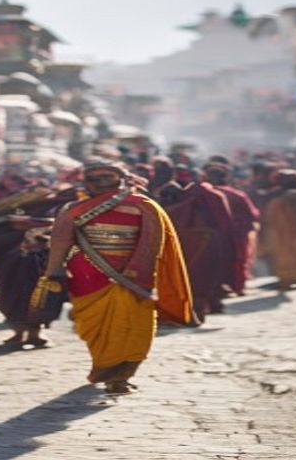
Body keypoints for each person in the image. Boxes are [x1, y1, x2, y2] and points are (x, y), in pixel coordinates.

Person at [44, 161, 195, 395]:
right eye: (92, 178)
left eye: (105, 177)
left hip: (133, 277)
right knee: (97, 330)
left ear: (122, 178)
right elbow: (61, 241)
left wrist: (137, 272)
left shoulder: (144, 206)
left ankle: (121, 377)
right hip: (87, 276)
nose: (98, 182)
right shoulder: (73, 209)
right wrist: (55, 270)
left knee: (136, 327)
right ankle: (107, 370)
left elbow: (151, 242)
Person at [0, 184, 77, 347]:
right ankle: (18, 332)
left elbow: (67, 225)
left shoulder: (64, 205)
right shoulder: (13, 205)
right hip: (12, 261)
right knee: (10, 295)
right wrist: (16, 224)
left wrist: (38, 226)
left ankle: (35, 333)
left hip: (43, 261)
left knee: (42, 297)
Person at [156, 165, 236, 319]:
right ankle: (197, 309)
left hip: (192, 242)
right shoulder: (210, 196)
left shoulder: (184, 199)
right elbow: (225, 223)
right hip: (204, 242)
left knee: (193, 276)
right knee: (203, 276)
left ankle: (195, 311)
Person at [203, 161, 260, 296]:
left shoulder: (202, 195)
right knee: (238, 259)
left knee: (214, 260)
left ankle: (217, 288)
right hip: (236, 233)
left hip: (211, 234)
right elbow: (252, 215)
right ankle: (237, 286)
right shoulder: (237, 195)